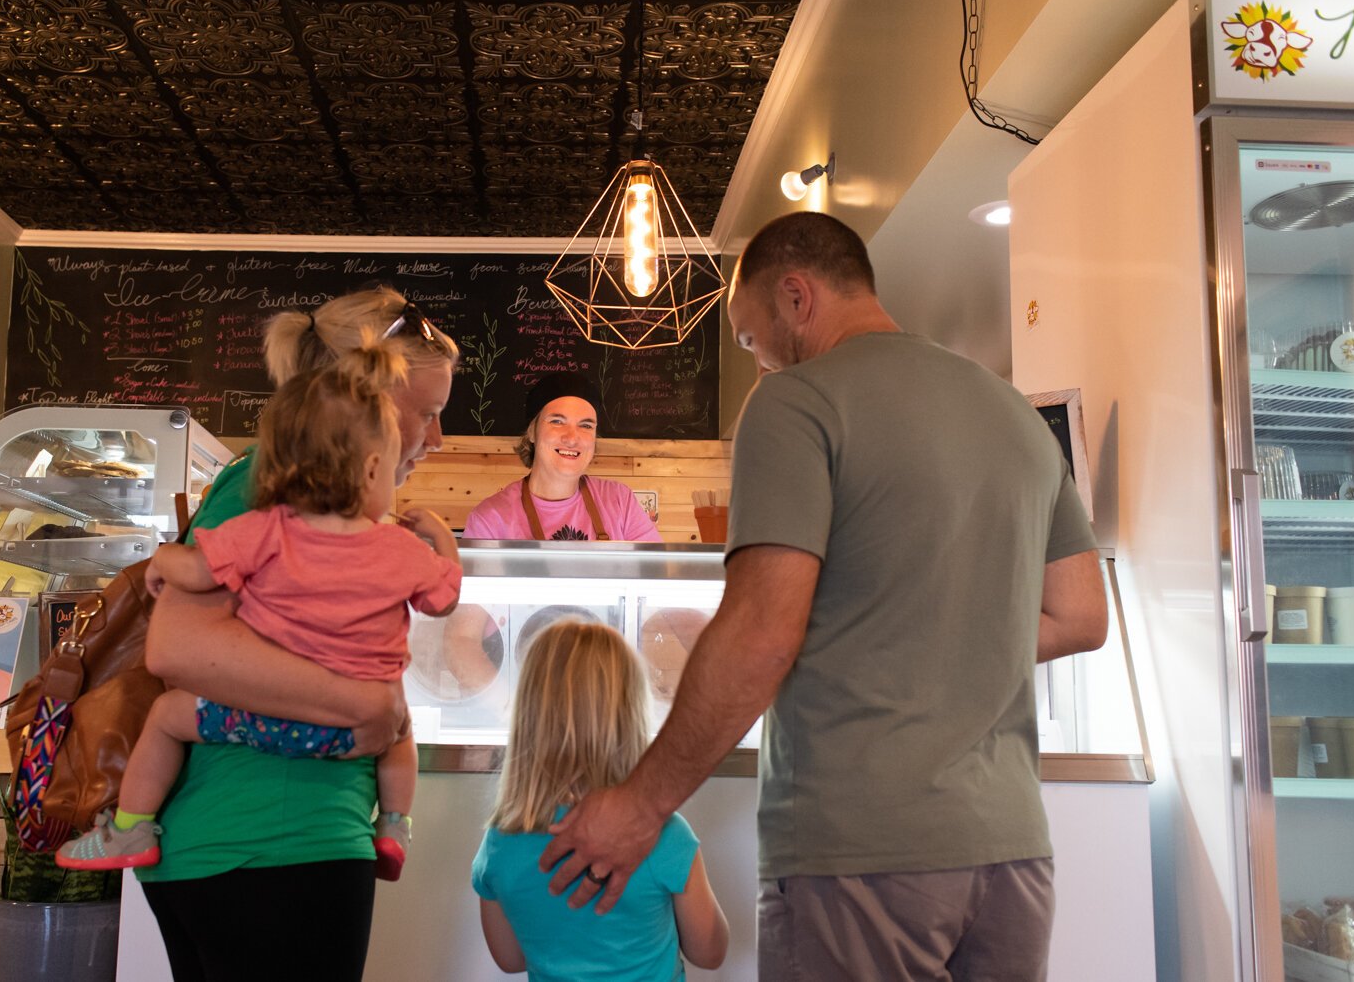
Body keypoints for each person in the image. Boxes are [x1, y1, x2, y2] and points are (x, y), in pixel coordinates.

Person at [539, 212, 1109, 982]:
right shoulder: (1015, 413)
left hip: (860, 850)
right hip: (1012, 854)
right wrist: (918, 626)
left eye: (751, 338)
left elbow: (762, 634)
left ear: (796, 296)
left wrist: (640, 807)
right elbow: (1081, 617)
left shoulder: (797, 403)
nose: (759, 362)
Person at [137, 286, 460, 982]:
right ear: (367, 398)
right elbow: (177, 647)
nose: (436, 439)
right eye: (427, 414)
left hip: (268, 848)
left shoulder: (319, 502)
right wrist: (365, 704)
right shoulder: (270, 485)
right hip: (268, 847)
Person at [55, 341, 461, 882]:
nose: (434, 437)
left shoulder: (269, 528)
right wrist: (442, 540)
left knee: (169, 716)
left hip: (256, 729)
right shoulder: (399, 548)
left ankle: (131, 826)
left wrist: (164, 560)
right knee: (400, 729)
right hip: (324, 771)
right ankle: (394, 824)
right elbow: (444, 599)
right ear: (370, 467)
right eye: (428, 415)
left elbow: (200, 571)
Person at [471, 620, 728, 981]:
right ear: (631, 718)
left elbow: (510, 959)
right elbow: (710, 952)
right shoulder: (660, 834)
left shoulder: (500, 842)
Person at [462, 372, 660, 542]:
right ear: (531, 432)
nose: (572, 438)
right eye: (557, 421)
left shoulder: (620, 501)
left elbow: (654, 571)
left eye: (586, 425)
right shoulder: (489, 519)